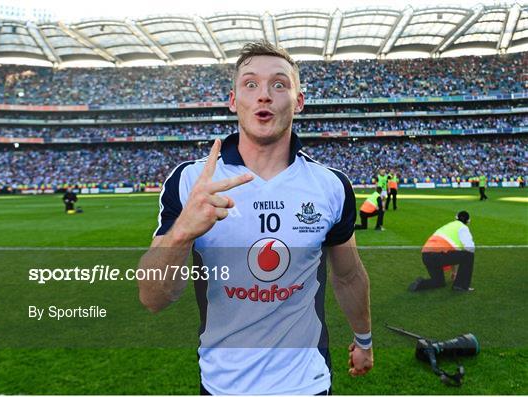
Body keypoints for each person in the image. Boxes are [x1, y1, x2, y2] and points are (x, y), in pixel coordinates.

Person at [138, 41, 373, 395]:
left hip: (306, 384)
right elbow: (153, 298)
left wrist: (364, 340)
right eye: (250, 84)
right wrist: (182, 233)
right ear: (234, 101)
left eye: (279, 84)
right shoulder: (192, 182)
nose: (264, 95)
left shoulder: (330, 186)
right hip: (222, 384)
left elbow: (349, 275)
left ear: (299, 101)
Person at [409, 211, 475, 292]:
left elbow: (452, 253)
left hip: (426, 256)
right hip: (437, 256)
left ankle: (420, 284)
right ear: (468, 221)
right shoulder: (463, 228)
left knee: (439, 282)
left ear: (456, 218)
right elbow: (470, 248)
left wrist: (454, 273)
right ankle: (461, 286)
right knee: (469, 255)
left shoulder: (447, 226)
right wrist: (455, 273)